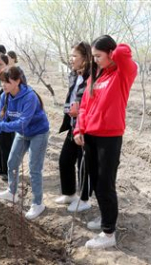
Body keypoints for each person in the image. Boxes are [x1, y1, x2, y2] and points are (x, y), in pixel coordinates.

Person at [74, 35, 137, 249]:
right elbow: (84, 106)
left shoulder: (122, 74)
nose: (95, 60)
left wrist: (112, 52)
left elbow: (123, 52)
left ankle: (109, 233)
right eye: (93, 56)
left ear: (111, 54)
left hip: (109, 138)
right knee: (96, 183)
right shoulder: (96, 77)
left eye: (99, 56)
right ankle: (105, 219)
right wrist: (78, 129)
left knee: (105, 185)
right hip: (90, 136)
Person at [0, 66, 49, 220]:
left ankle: (37, 203)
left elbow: (22, 124)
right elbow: (0, 118)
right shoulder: (5, 96)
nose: (4, 86)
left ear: (17, 81)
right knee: (11, 162)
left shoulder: (29, 97)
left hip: (38, 133)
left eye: (7, 82)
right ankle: (12, 192)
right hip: (22, 134)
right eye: (2, 82)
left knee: (34, 168)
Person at [56, 42, 92, 213]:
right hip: (72, 125)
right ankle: (70, 193)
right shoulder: (74, 75)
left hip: (85, 127)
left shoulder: (92, 78)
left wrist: (81, 112)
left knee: (83, 165)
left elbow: (92, 103)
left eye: (74, 56)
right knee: (65, 159)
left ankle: (84, 199)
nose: (71, 59)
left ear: (85, 58)